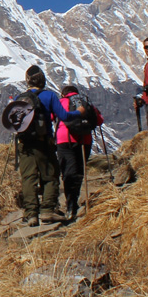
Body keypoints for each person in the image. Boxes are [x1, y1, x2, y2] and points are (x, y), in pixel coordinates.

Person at [16, 66, 82, 227]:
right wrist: (79, 112)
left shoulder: (20, 97)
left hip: (24, 144)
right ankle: (48, 210)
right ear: (43, 80)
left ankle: (31, 214)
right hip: (43, 142)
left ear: (28, 80)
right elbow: (64, 116)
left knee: (28, 177)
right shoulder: (49, 96)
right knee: (50, 175)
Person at [55, 85, 104, 220]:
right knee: (78, 171)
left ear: (64, 94)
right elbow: (99, 120)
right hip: (84, 140)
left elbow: (52, 116)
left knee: (67, 171)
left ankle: (69, 203)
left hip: (65, 139)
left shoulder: (61, 102)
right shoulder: (86, 102)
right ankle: (74, 202)